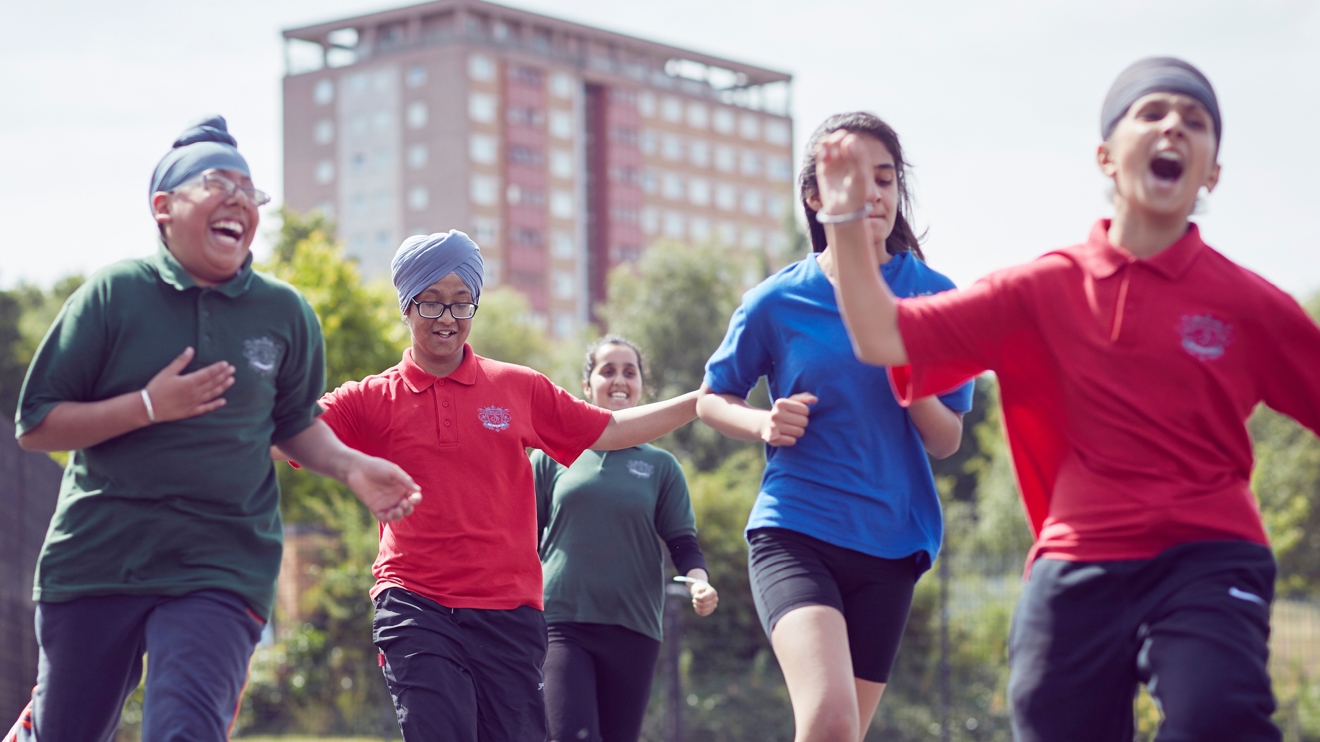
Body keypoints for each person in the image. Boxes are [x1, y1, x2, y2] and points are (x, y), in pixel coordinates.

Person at [823, 58, 1320, 741]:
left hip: (1210, 553)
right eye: (1151, 113)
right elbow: (883, 335)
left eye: (1195, 121)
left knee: (1219, 717)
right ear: (1106, 158)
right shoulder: (1039, 291)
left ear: (1211, 174)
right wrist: (848, 220)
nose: (1174, 124)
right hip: (1078, 557)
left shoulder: (1248, 305)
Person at [4, 115, 421, 742]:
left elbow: (293, 425)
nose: (238, 200)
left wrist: (351, 466)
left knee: (184, 731)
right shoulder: (113, 295)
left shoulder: (285, 314)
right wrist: (148, 405)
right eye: (216, 183)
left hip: (220, 563)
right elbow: (37, 425)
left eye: (249, 191)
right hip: (98, 560)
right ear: (164, 206)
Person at [281, 232, 701, 742]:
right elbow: (287, 438)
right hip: (415, 601)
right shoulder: (374, 397)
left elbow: (609, 430)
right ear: (407, 305)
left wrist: (702, 399)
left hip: (508, 611)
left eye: (462, 303)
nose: (447, 317)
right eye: (431, 301)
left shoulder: (517, 387)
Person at [696, 112, 974, 742]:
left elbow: (947, 438)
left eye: (885, 178)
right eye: (852, 177)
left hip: (892, 543)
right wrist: (763, 422)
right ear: (817, 197)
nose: (872, 192)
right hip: (795, 531)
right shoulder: (776, 300)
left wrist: (908, 372)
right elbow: (712, 400)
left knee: (841, 736)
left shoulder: (935, 295)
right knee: (827, 719)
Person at [534, 335, 719, 742]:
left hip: (634, 627)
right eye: (608, 370)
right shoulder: (551, 455)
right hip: (561, 622)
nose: (619, 379)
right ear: (587, 386)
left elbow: (683, 543)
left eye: (629, 372)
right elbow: (522, 538)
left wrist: (700, 580)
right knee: (570, 736)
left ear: (641, 388)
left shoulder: (662, 466)